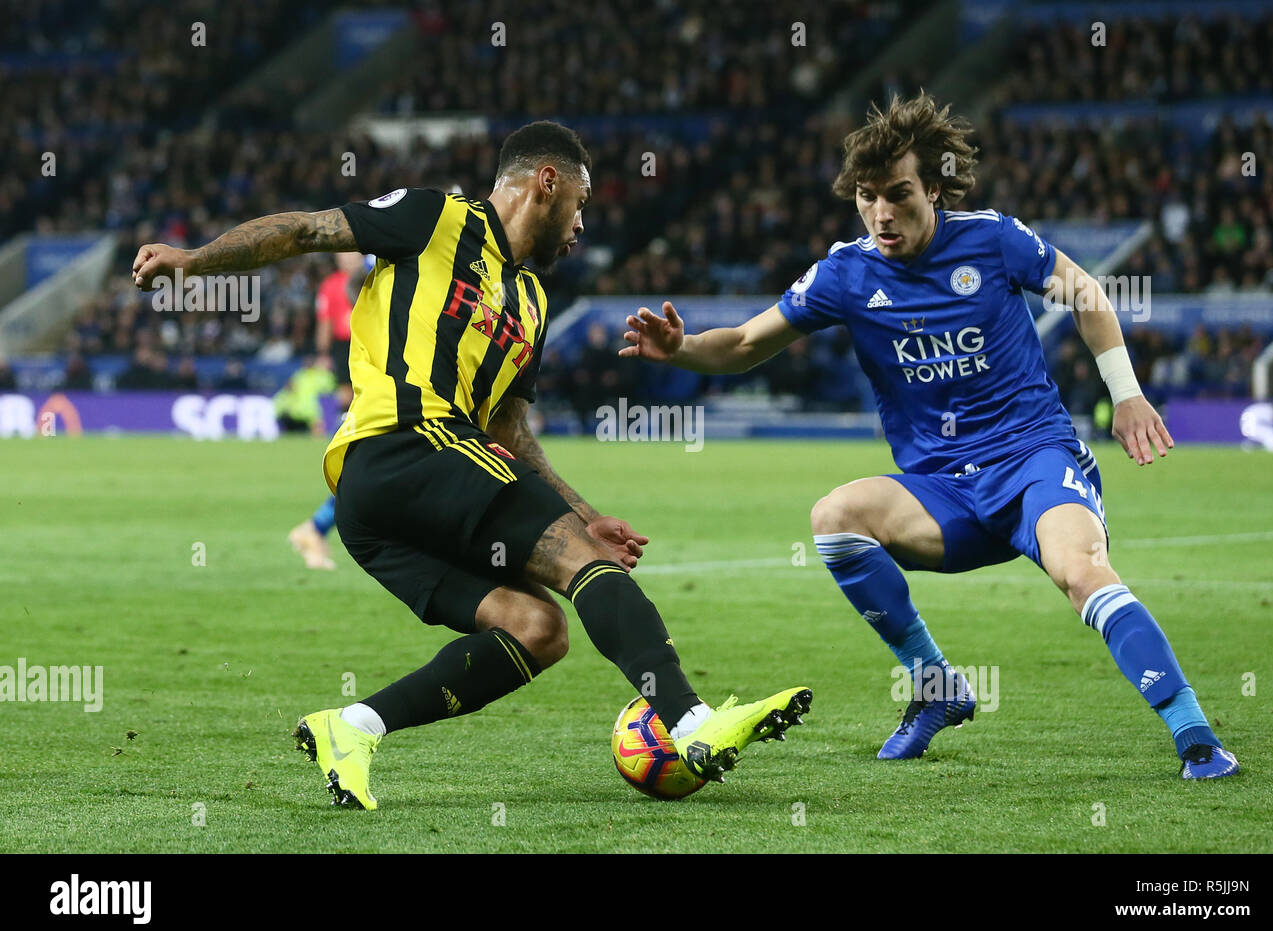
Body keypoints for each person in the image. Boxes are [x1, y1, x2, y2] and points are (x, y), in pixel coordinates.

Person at [132, 120, 811, 809]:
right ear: (546, 183)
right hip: (403, 441)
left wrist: (585, 517)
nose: (580, 227)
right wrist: (193, 262)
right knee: (581, 570)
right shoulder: (436, 217)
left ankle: (352, 727)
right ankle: (694, 723)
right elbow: (307, 232)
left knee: (537, 630)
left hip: (389, 512)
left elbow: (511, 432)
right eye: (579, 205)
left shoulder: (535, 304)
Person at [620, 94, 1237, 780]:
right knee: (835, 519)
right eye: (868, 196)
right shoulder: (846, 274)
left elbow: (1088, 295)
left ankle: (1197, 737)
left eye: (899, 195)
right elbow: (739, 344)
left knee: (1081, 573)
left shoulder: (992, 239)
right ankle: (937, 687)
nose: (882, 213)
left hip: (1034, 461)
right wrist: (680, 350)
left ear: (935, 189)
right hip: (943, 493)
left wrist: (1126, 396)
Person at [288, 253, 371, 571]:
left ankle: (315, 528)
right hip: (353, 348)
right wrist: (323, 353)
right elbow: (325, 321)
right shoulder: (335, 285)